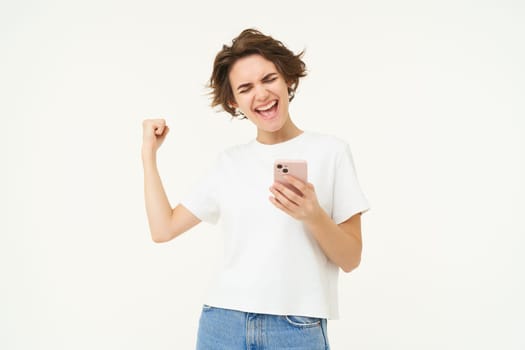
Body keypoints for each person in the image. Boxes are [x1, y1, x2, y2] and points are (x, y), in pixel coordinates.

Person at [141, 28, 370, 350]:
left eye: (268, 79)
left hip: (295, 328)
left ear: (288, 80)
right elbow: (162, 229)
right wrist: (148, 155)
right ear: (234, 101)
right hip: (222, 322)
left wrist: (313, 215)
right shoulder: (229, 162)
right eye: (246, 88)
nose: (260, 94)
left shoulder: (331, 151)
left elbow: (351, 258)